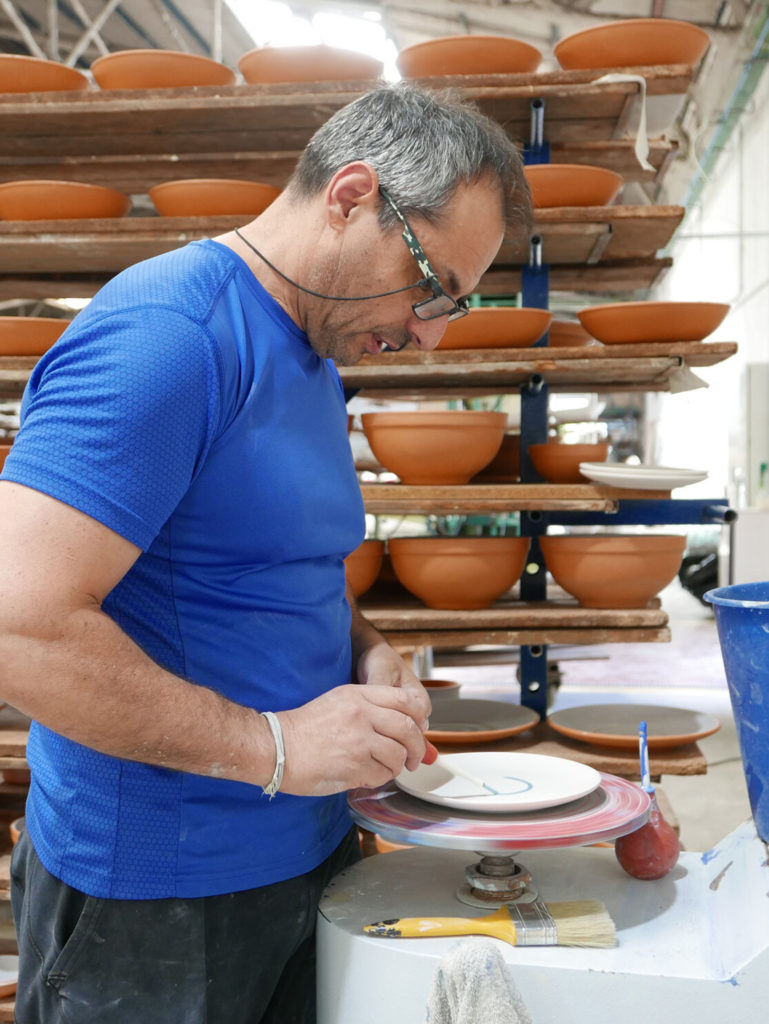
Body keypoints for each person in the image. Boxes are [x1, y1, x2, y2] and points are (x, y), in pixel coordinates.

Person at [0, 82, 531, 1023]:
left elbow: (266, 559)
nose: (429, 333)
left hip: (305, 849)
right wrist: (273, 744)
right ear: (351, 194)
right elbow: (19, 624)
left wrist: (363, 648)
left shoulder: (313, 351)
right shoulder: (170, 338)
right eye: (429, 285)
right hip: (159, 896)